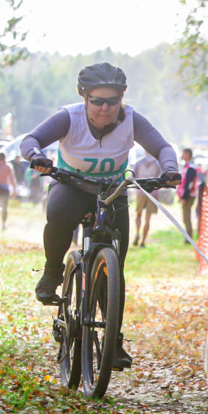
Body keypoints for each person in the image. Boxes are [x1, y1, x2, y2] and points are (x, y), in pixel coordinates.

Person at [21, 62, 180, 370]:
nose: (105, 108)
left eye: (112, 101)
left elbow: (162, 147)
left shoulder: (131, 119)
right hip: (71, 184)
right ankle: (53, 271)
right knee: (58, 214)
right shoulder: (70, 117)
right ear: (84, 98)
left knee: (115, 269)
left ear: (122, 98)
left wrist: (170, 169)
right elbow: (31, 139)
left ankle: (112, 340)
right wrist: (36, 157)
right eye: (97, 100)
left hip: (112, 189)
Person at [132, 152, 161, 247]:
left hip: (141, 191)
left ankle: (137, 233)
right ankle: (143, 241)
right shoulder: (157, 164)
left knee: (138, 214)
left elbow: (133, 177)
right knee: (148, 218)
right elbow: (160, 178)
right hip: (153, 192)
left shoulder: (139, 163)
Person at [177, 147, 199, 238]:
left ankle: (189, 237)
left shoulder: (191, 168)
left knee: (187, 217)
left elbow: (189, 183)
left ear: (188, 155)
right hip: (186, 195)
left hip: (188, 196)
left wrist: (184, 197)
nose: (182, 156)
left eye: (184, 153)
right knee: (185, 217)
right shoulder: (187, 167)